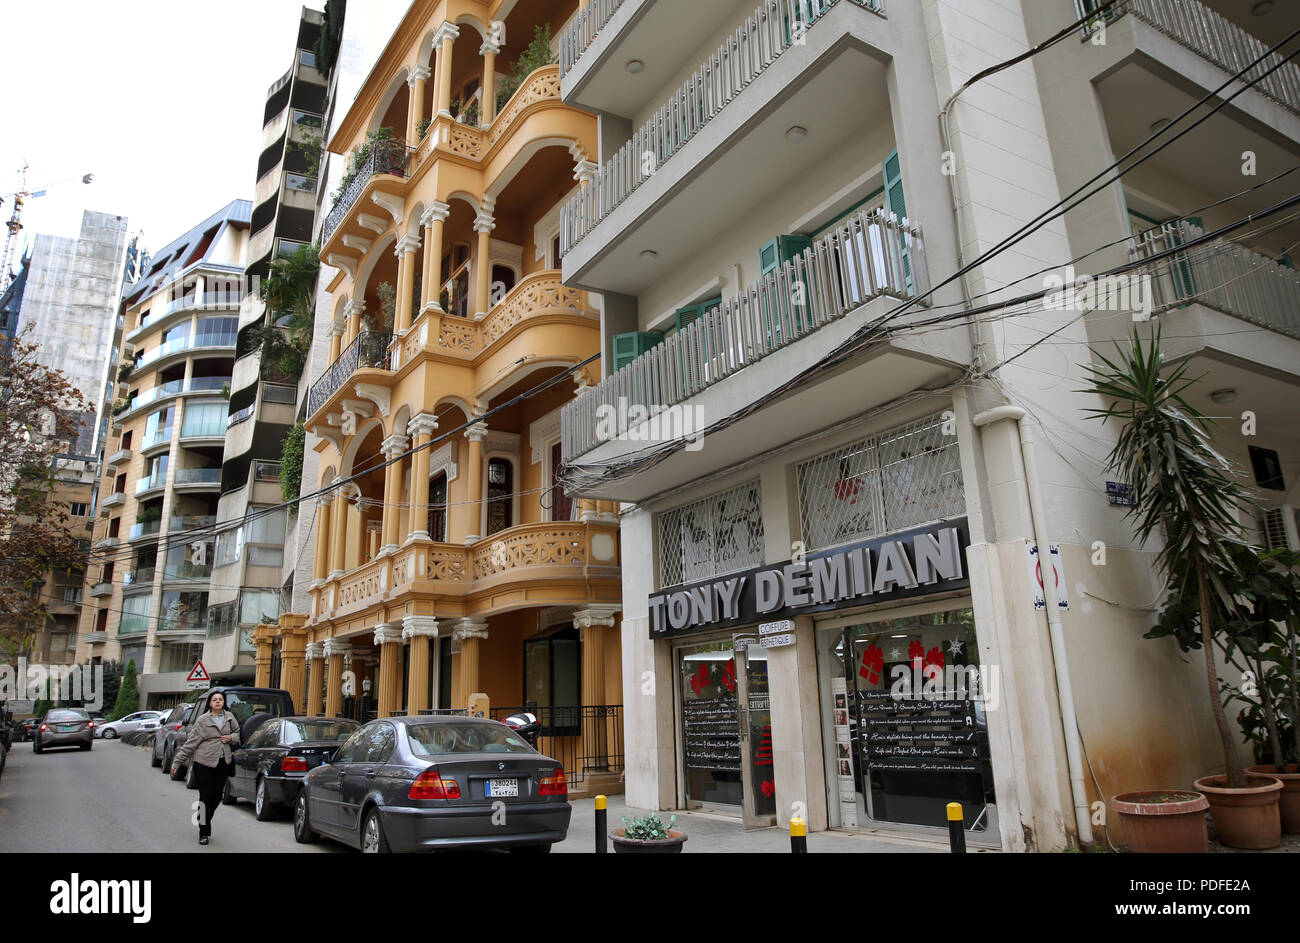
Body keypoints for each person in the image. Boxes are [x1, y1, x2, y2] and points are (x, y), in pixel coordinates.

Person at [172, 690, 240, 845]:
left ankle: (203, 817)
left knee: (217, 797)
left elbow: (237, 734)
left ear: (224, 702)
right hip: (204, 763)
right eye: (215, 699)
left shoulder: (229, 717)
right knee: (205, 796)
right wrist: (177, 762)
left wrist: (231, 738)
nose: (217, 702)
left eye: (220, 700)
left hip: (223, 762)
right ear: (210, 703)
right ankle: (203, 832)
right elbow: (191, 743)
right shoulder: (203, 720)